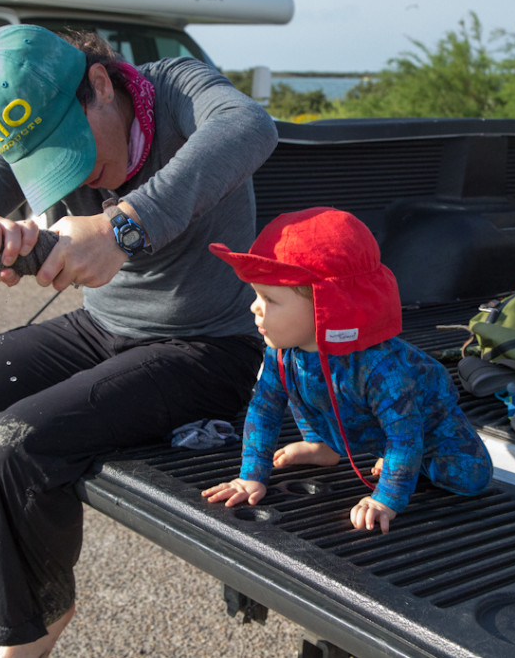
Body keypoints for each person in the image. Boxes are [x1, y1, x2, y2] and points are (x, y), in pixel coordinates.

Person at [0, 24, 276, 657]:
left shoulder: (176, 87)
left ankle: (39, 621)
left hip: (207, 345)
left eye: (69, 144)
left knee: (20, 439)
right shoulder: (28, 130)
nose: (74, 172)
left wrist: (121, 228)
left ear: (100, 83)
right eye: (46, 159)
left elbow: (249, 127)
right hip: (102, 328)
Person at [202, 207, 493, 533]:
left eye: (270, 299)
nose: (255, 307)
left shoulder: (382, 368)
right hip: (364, 427)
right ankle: (322, 446)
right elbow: (265, 408)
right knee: (300, 380)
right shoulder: (282, 351)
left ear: (326, 305)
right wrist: (251, 475)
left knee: (471, 478)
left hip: (427, 429)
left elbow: (405, 435)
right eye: (257, 295)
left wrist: (386, 498)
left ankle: (414, 465)